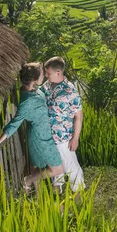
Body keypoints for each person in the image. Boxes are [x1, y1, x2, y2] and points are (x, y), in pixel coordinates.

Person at [0, 62, 63, 193]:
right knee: (57, 169)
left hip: (40, 134)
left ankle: (39, 202)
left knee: (37, 170)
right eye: (42, 74)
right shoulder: (27, 102)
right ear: (35, 79)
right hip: (41, 138)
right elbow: (15, 123)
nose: (44, 76)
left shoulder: (32, 90)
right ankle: (27, 181)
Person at [41, 56, 85, 192]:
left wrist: (75, 138)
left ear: (58, 72)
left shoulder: (70, 91)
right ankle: (57, 195)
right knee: (55, 168)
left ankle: (79, 195)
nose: (46, 76)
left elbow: (78, 116)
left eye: (48, 73)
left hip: (63, 138)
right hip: (49, 137)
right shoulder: (47, 86)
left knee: (71, 167)